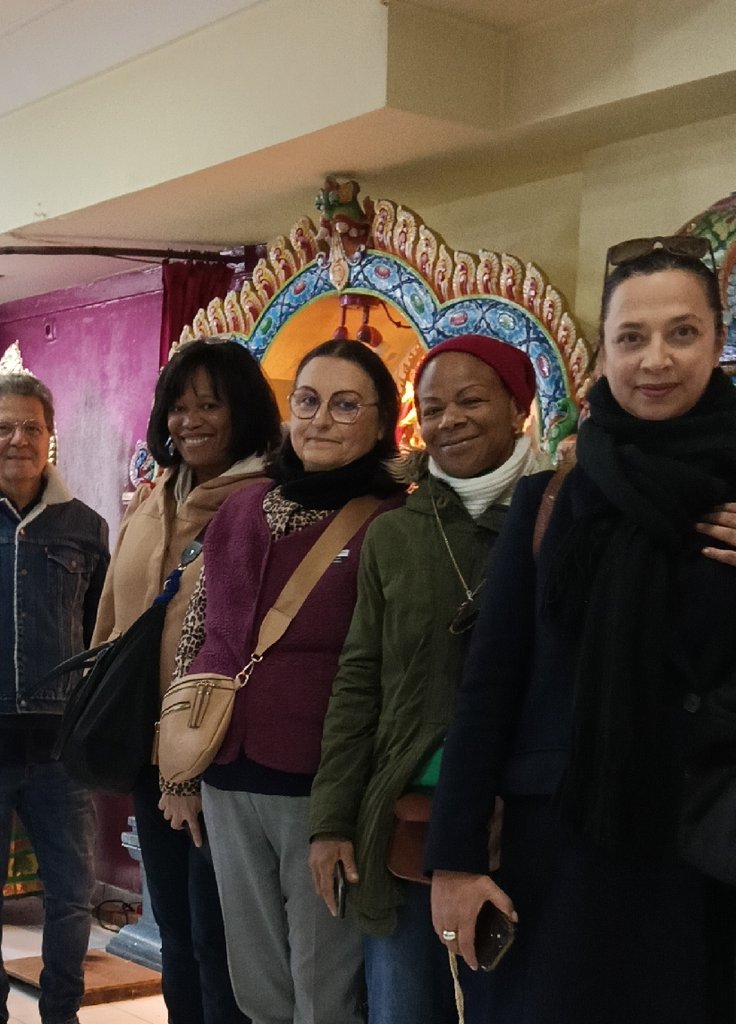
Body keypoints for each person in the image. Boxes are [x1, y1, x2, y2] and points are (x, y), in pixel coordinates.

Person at [427, 238, 736, 1023]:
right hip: (562, 857)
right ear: (605, 350)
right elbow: (490, 686)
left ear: (717, 337)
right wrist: (456, 860)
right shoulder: (553, 502)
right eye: (632, 337)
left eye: (682, 332)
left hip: (710, 855)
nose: (655, 359)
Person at [307, 335, 543, 1024]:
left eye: (472, 400)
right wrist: (330, 821)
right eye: (433, 407)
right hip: (404, 821)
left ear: (517, 406)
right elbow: (358, 683)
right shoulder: (396, 535)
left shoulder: (562, 516)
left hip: (524, 824)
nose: (450, 421)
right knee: (403, 1008)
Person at [173, 338, 408, 1024]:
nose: (321, 420)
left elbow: (387, 671)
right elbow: (200, 633)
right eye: (307, 401)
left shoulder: (392, 521)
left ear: (378, 420)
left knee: (323, 986)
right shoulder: (245, 508)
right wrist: (179, 769)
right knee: (256, 983)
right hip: (226, 774)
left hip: (322, 786)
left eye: (344, 405)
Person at [93, 337, 282, 1024]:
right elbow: (115, 619)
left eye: (210, 405)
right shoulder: (154, 497)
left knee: (220, 940)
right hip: (152, 756)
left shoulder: (266, 505)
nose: (190, 420)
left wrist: (194, 770)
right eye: (178, 406)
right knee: (175, 933)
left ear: (244, 414)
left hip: (221, 762)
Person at [0, 372, 109, 1024]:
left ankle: (61, 1012)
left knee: (70, 892)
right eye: (3, 427)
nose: (18, 440)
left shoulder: (84, 527)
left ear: (50, 436)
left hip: (60, 743)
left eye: (31, 427)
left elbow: (99, 633)